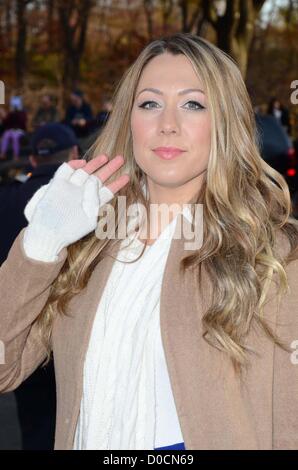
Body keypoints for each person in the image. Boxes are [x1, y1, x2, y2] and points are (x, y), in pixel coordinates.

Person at [0, 33, 298, 451]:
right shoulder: (87, 244)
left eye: (193, 104)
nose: (168, 124)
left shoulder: (273, 255)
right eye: (150, 103)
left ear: (224, 122)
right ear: (129, 119)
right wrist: (40, 244)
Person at [0, 123, 79, 449]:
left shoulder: (6, 200)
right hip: (74, 328)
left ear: (32, 160)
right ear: (74, 154)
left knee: (33, 425)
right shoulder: (97, 203)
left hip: (18, 326)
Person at [0, 96, 27, 161]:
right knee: (6, 135)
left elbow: (22, 122)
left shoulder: (22, 112)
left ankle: (16, 155)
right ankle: (3, 153)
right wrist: (5, 117)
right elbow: (6, 123)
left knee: (15, 137)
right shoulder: (10, 113)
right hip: (11, 130)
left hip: (20, 130)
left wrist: (16, 113)